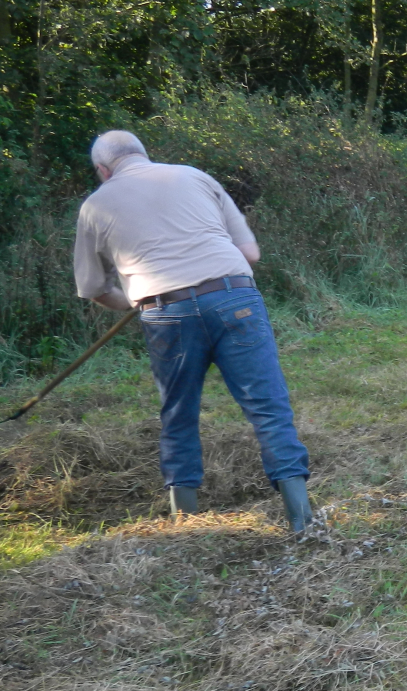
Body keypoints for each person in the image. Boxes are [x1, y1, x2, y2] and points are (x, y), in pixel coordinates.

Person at [73, 131, 313, 531]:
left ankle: (185, 524)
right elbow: (249, 253)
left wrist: (137, 299)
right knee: (269, 408)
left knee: (178, 414)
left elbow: (94, 288)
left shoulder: (94, 206)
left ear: (102, 169)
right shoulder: (194, 176)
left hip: (166, 313)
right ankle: (302, 520)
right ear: (144, 155)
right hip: (235, 298)